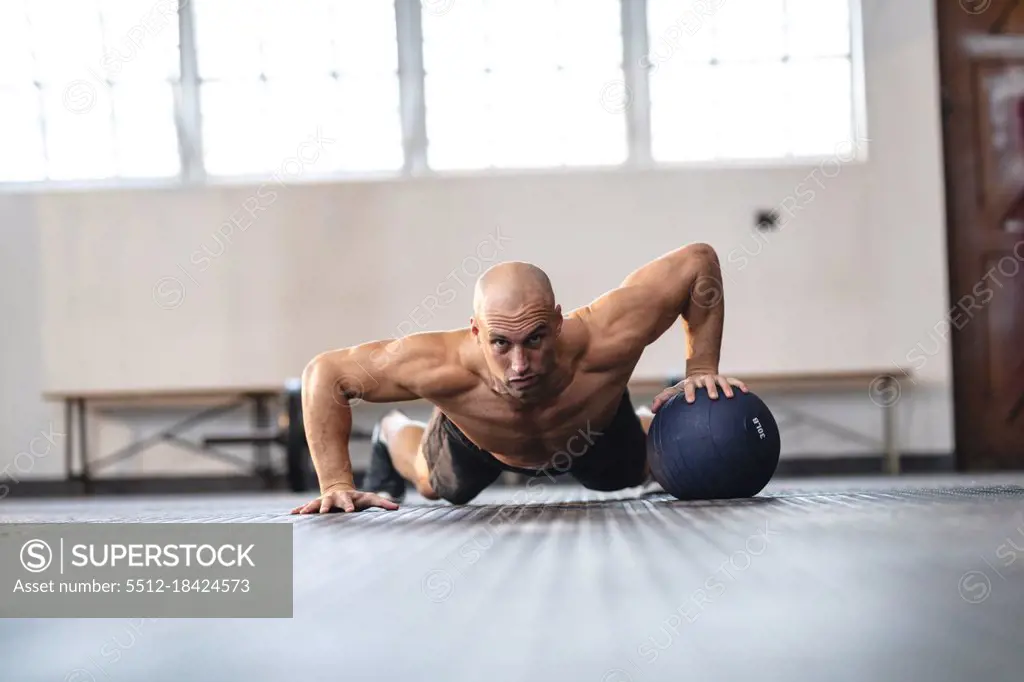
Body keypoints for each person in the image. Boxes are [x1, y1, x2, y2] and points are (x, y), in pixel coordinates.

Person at [290, 243, 747, 514]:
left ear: (558, 319)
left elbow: (697, 262)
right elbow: (325, 373)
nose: (519, 365)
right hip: (481, 441)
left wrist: (701, 370)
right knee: (437, 487)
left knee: (638, 471)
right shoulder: (438, 363)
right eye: (500, 345)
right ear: (476, 332)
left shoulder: (607, 334)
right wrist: (335, 483)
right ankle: (393, 434)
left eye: (535, 338)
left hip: (595, 429)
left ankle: (650, 422)